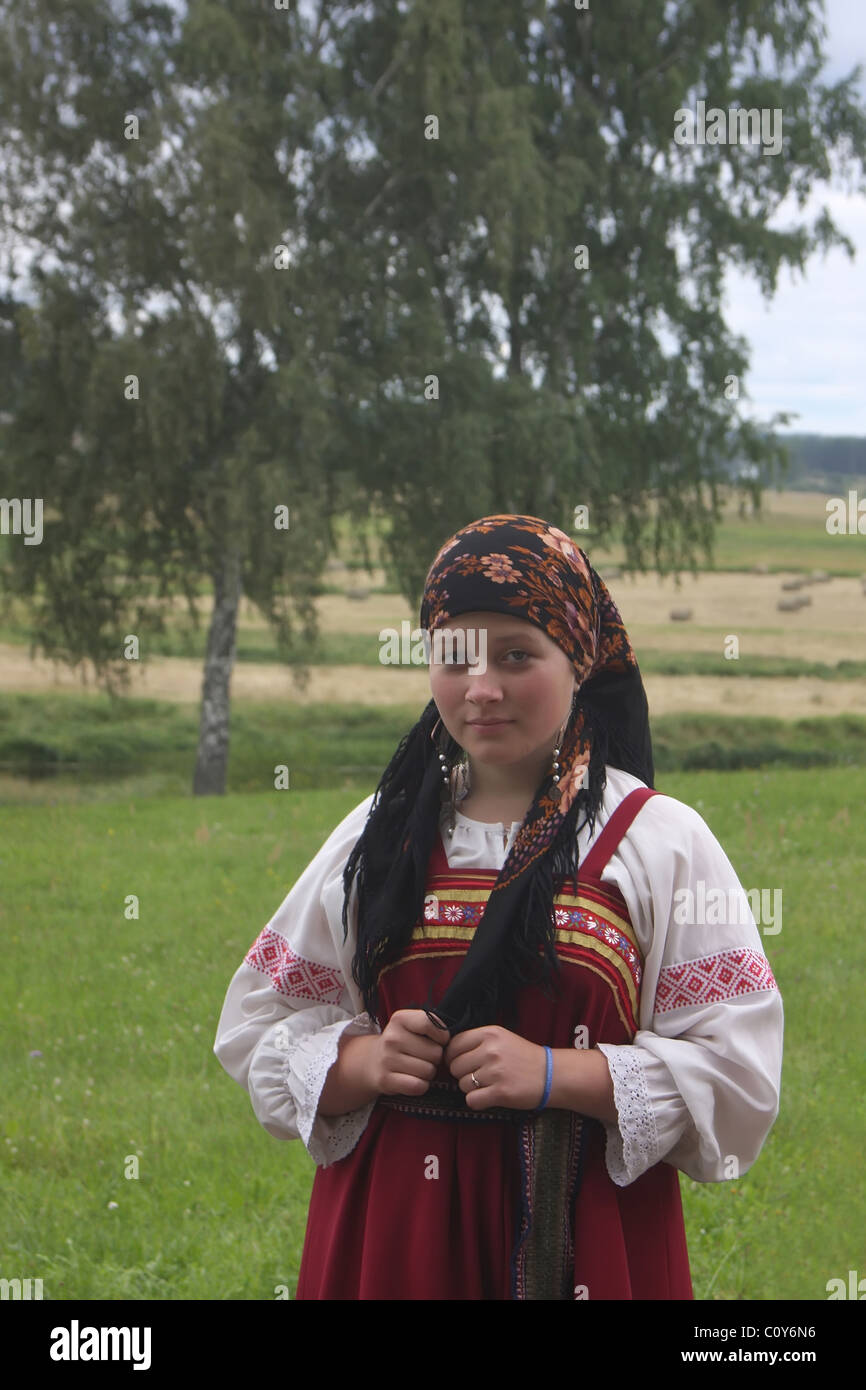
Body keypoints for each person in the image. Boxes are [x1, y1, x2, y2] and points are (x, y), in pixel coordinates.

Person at [213, 514, 783, 1300]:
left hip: (583, 1232)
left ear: (578, 661)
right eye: (454, 657)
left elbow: (739, 1077)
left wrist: (557, 1073)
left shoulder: (657, 840)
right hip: (392, 1236)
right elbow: (258, 1027)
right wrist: (362, 1063)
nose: (481, 688)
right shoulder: (377, 838)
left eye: (518, 655)